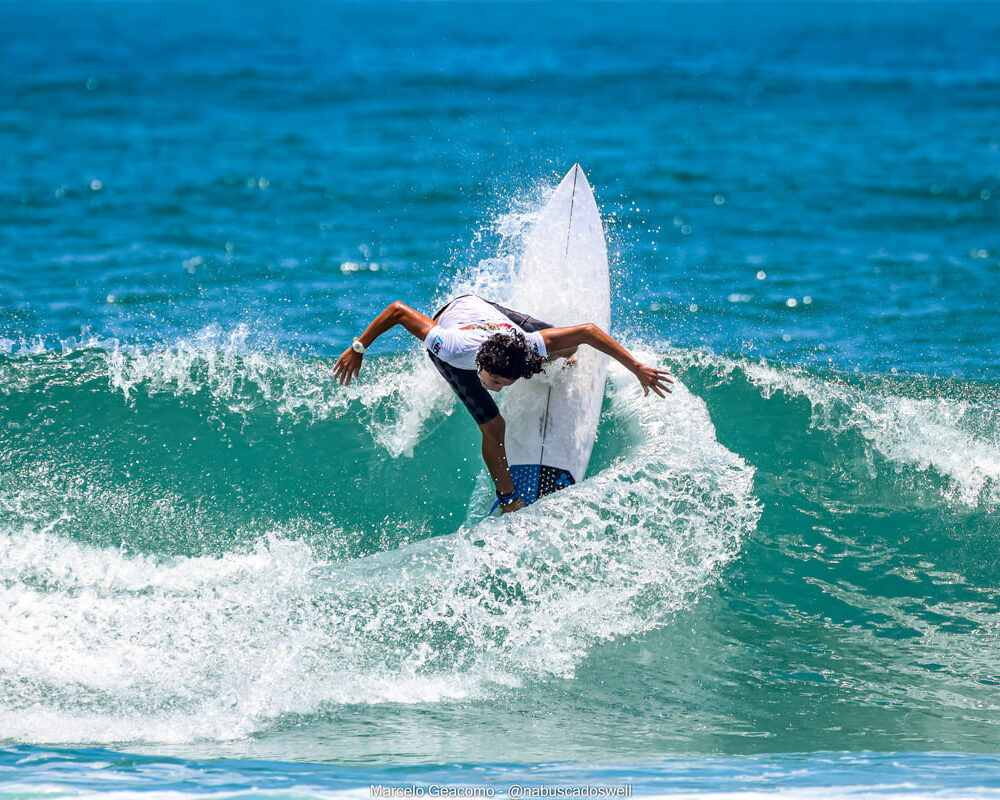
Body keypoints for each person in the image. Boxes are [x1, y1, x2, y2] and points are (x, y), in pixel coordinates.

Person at [333, 295, 672, 513]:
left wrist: (637, 367)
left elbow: (587, 331)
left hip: (488, 313)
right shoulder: (449, 346)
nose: (494, 389)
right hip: (458, 326)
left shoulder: (527, 347)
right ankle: (509, 499)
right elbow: (397, 311)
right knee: (495, 425)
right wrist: (358, 348)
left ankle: (557, 359)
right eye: (492, 382)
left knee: (569, 348)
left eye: (501, 385)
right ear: (483, 368)